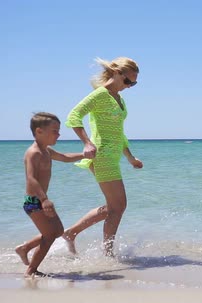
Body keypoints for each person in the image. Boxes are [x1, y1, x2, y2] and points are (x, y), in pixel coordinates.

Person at [62, 57, 143, 257]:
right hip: (102, 155)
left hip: (113, 155)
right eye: (127, 81)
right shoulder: (99, 95)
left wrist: (130, 158)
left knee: (114, 207)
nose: (129, 86)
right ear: (117, 73)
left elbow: (119, 133)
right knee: (119, 206)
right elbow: (73, 116)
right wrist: (87, 143)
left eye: (133, 83)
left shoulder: (119, 99)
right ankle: (107, 254)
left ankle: (71, 233)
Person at [15, 112, 85, 277]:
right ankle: (31, 270)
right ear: (39, 131)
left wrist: (85, 155)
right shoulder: (34, 153)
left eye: (58, 130)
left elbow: (65, 157)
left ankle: (24, 248)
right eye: (55, 131)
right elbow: (31, 178)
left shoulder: (46, 150)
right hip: (35, 201)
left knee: (58, 230)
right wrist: (44, 199)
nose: (58, 134)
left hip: (41, 200)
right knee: (49, 236)